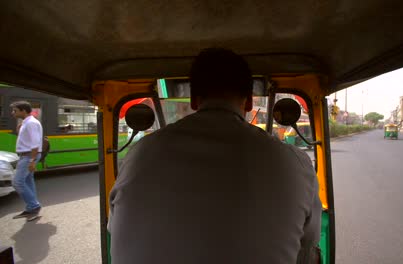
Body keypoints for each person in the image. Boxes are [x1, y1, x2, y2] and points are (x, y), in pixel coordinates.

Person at [108, 48, 322, 264]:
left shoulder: (140, 154)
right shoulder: (295, 163)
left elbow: (115, 230)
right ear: (248, 102)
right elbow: (306, 253)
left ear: (193, 100)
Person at [10, 101, 43, 221]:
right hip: (27, 155)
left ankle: (33, 206)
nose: (13, 113)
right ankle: (32, 207)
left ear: (23, 111)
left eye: (15, 110)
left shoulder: (31, 123)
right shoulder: (26, 123)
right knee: (28, 181)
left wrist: (32, 160)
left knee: (17, 182)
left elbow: (35, 143)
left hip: (29, 156)